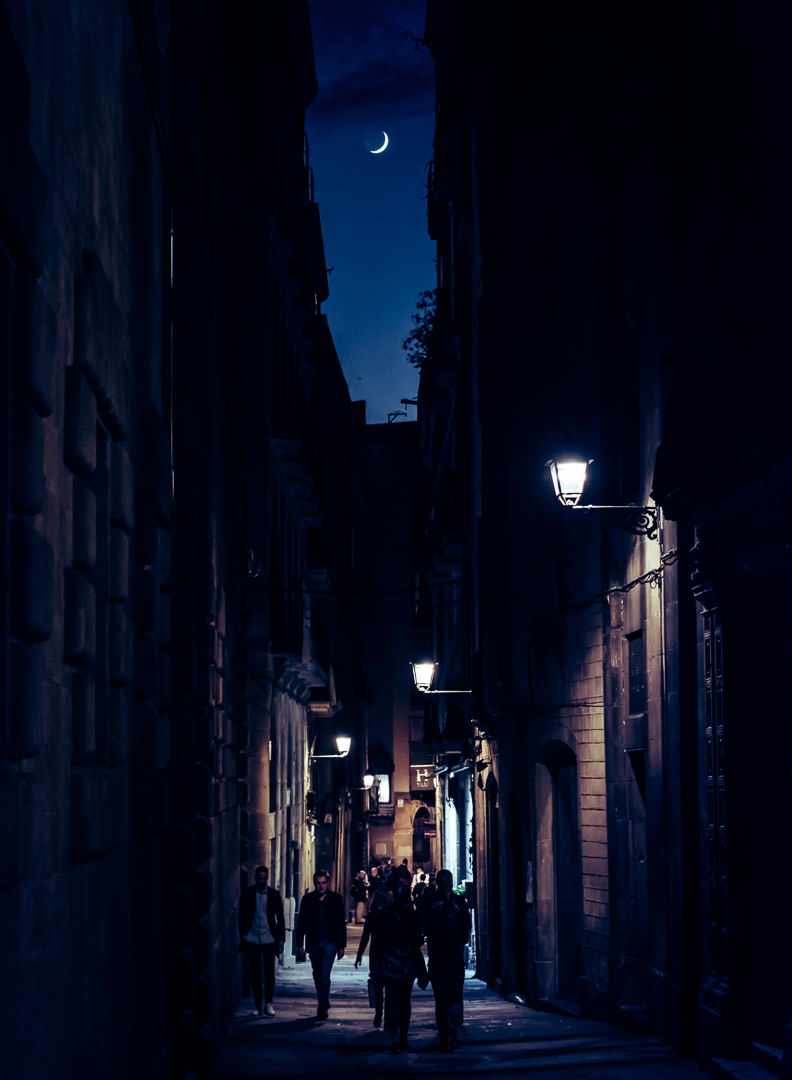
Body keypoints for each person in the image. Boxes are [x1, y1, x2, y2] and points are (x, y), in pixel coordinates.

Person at [377, 866, 426, 1054]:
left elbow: (380, 940)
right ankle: (402, 1038)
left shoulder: (385, 913)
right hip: (406, 961)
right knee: (404, 1000)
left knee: (392, 999)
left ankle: (395, 1037)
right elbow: (418, 939)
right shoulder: (411, 913)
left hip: (391, 961)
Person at [425, 868, 472, 1051]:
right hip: (454, 956)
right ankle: (452, 1029)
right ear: (451, 883)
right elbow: (466, 929)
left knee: (440, 999)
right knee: (454, 995)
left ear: (437, 883)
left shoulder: (430, 902)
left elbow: (424, 928)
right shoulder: (459, 902)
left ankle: (443, 1035)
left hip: (437, 957)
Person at [295, 869, 347, 1020]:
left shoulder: (336, 899)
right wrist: (299, 944)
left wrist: (341, 946)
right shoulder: (308, 899)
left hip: (330, 942)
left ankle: (322, 1006)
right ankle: (323, 1000)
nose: (321, 886)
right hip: (314, 942)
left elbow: (340, 923)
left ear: (327, 883)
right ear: (314, 883)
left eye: (323, 883)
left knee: (324, 974)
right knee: (317, 975)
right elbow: (302, 922)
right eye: (318, 883)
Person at [237, 866, 286, 1017]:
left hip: (269, 938)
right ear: (255, 878)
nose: (262, 881)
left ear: (267, 878)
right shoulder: (248, 894)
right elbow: (241, 916)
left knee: (269, 973)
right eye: (260, 878)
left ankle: (269, 1003)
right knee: (255, 974)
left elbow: (280, 918)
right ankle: (258, 1005)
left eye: (264, 879)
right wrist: (243, 934)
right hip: (252, 938)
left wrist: (281, 939)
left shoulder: (274, 895)